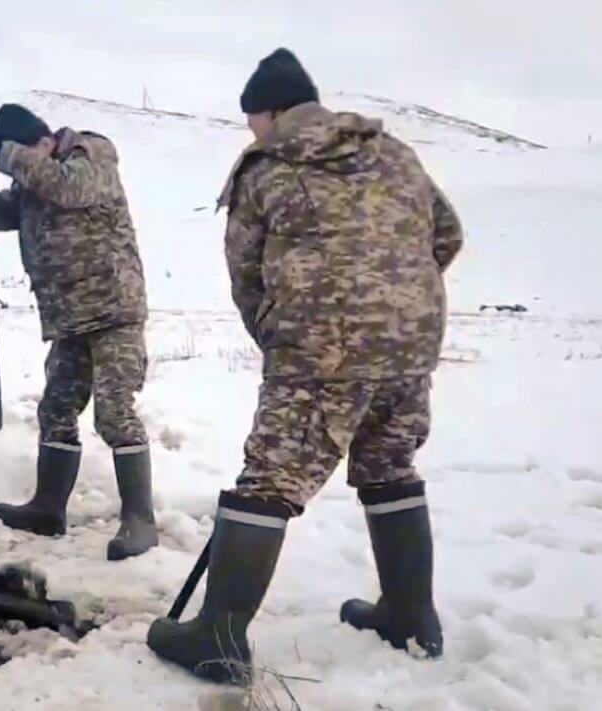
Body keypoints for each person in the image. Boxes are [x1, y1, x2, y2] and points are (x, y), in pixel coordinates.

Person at [147, 48, 463, 684]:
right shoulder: (394, 152)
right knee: (389, 463)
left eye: (251, 120)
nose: (250, 132)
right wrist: (396, 303)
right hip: (410, 344)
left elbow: (246, 272)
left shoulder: (268, 165)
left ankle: (218, 636)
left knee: (270, 478)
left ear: (268, 110)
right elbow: (447, 234)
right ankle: (410, 613)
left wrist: (284, 334)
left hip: (320, 347)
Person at [0, 104, 157, 561]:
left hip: (112, 310)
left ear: (48, 140)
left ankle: (140, 520)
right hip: (68, 317)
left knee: (114, 411)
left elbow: (69, 190)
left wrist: (5, 153)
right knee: (56, 408)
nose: (25, 160)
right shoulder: (36, 176)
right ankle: (48, 508)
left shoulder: (91, 155)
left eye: (29, 149)